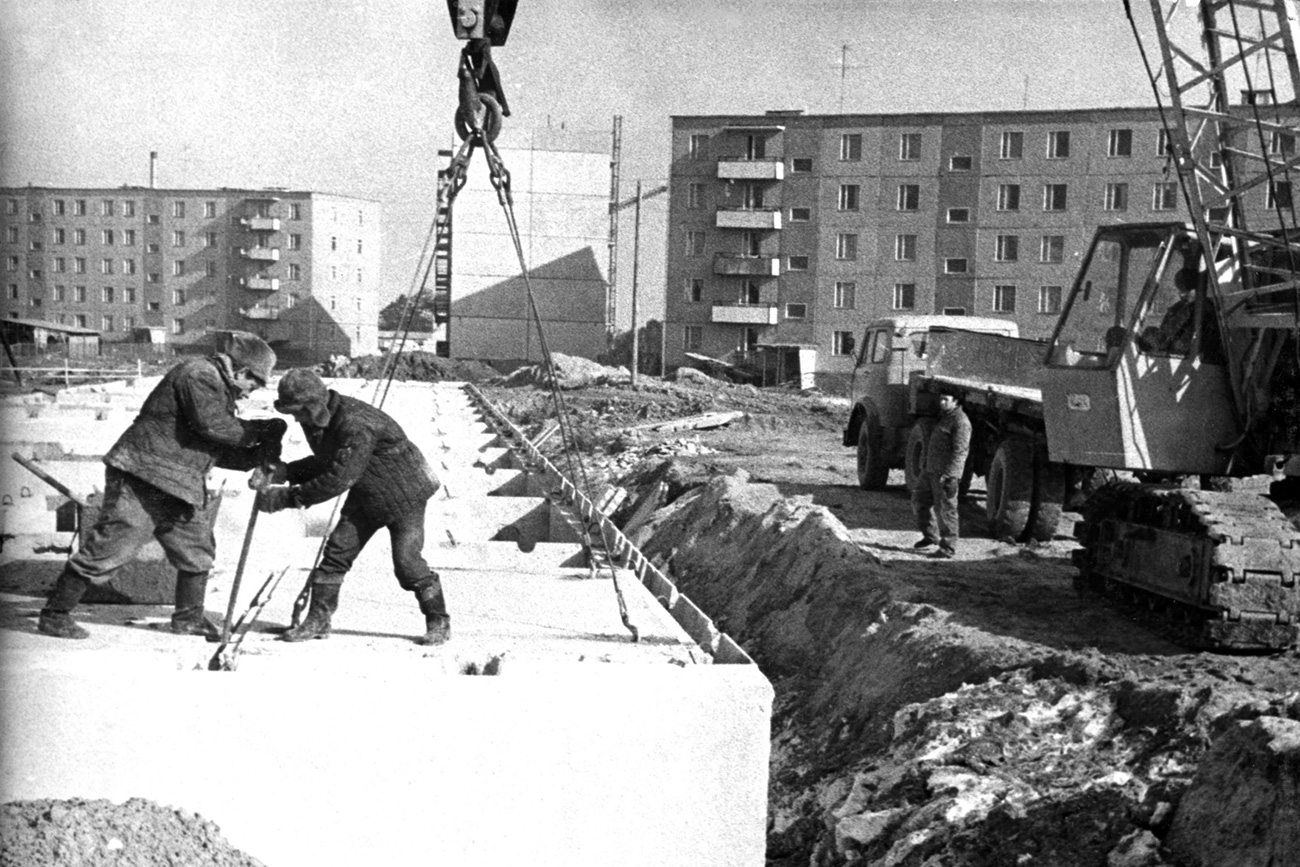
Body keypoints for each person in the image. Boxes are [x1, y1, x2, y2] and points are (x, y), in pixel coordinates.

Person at [38, 332, 285, 640]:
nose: (251, 393)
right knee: (111, 547)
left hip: (179, 484)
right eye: (255, 383)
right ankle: (54, 615)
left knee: (197, 552)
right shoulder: (198, 374)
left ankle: (189, 618)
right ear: (243, 372)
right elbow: (213, 427)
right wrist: (261, 429)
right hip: (142, 474)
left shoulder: (220, 390)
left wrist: (255, 455)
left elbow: (212, 447)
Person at [256, 368, 448, 645]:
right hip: (368, 492)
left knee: (408, 563)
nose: (295, 419)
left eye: (298, 411)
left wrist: (286, 498)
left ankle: (438, 620)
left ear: (313, 405)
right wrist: (283, 472)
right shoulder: (320, 420)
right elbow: (328, 461)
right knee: (336, 553)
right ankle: (318, 621)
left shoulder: (355, 423)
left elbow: (338, 477)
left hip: (405, 492)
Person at [911, 393, 972, 560]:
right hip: (930, 470)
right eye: (941, 399)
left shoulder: (960, 422)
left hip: (945, 474)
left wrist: (951, 476)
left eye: (946, 399)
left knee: (946, 511)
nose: (942, 402)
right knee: (919, 501)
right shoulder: (944, 417)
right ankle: (930, 536)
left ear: (956, 402)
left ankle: (948, 547)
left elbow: (960, 452)